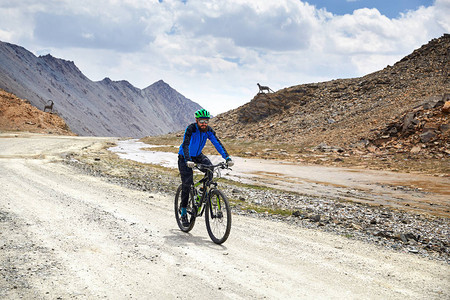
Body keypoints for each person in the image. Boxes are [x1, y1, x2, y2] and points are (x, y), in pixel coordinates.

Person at [178, 108, 233, 227]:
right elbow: (186, 145)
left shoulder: (208, 131)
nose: (204, 124)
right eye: (202, 121)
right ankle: (183, 212)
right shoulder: (191, 129)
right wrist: (187, 160)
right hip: (184, 157)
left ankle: (202, 190)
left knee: (210, 169)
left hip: (197, 156)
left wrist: (227, 158)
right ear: (197, 120)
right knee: (187, 184)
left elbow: (217, 144)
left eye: (206, 121)